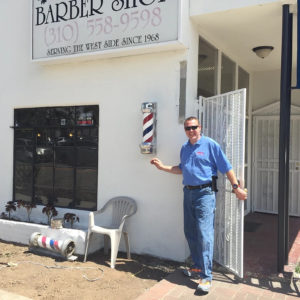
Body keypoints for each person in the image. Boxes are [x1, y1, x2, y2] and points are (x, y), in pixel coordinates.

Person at [150, 116, 247, 293]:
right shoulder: (185, 148)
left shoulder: (210, 145)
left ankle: (206, 277)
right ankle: (196, 267)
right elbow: (181, 168)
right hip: (188, 193)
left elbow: (226, 167)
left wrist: (236, 188)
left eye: (194, 127)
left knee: (204, 234)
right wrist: (163, 167)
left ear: (200, 128)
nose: (191, 131)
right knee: (190, 231)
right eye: (188, 128)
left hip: (205, 194)